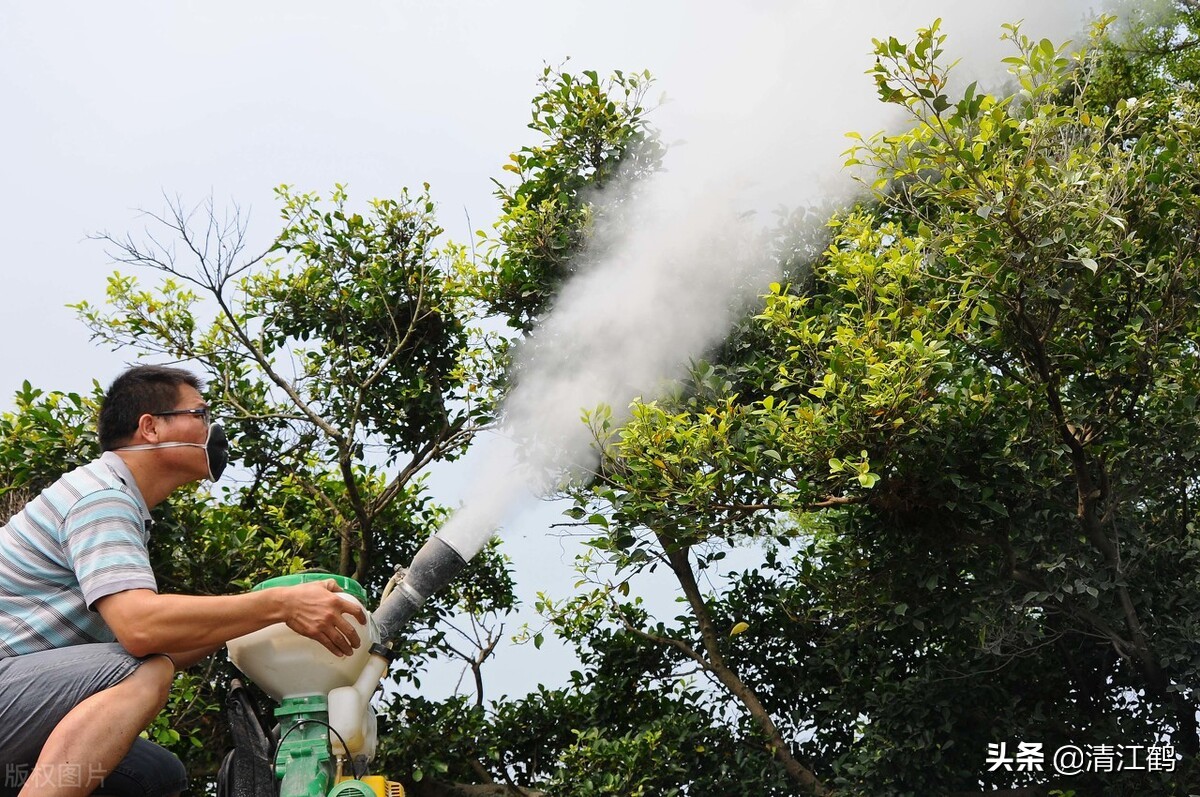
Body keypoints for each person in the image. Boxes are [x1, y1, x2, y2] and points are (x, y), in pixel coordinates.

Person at [0, 365, 366, 797]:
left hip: (15, 706)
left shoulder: (117, 503)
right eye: (201, 414)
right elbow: (141, 631)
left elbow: (165, 642)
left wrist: (259, 615)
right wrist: (279, 605)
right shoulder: (101, 498)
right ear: (151, 427)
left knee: (155, 774)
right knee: (142, 669)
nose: (211, 429)